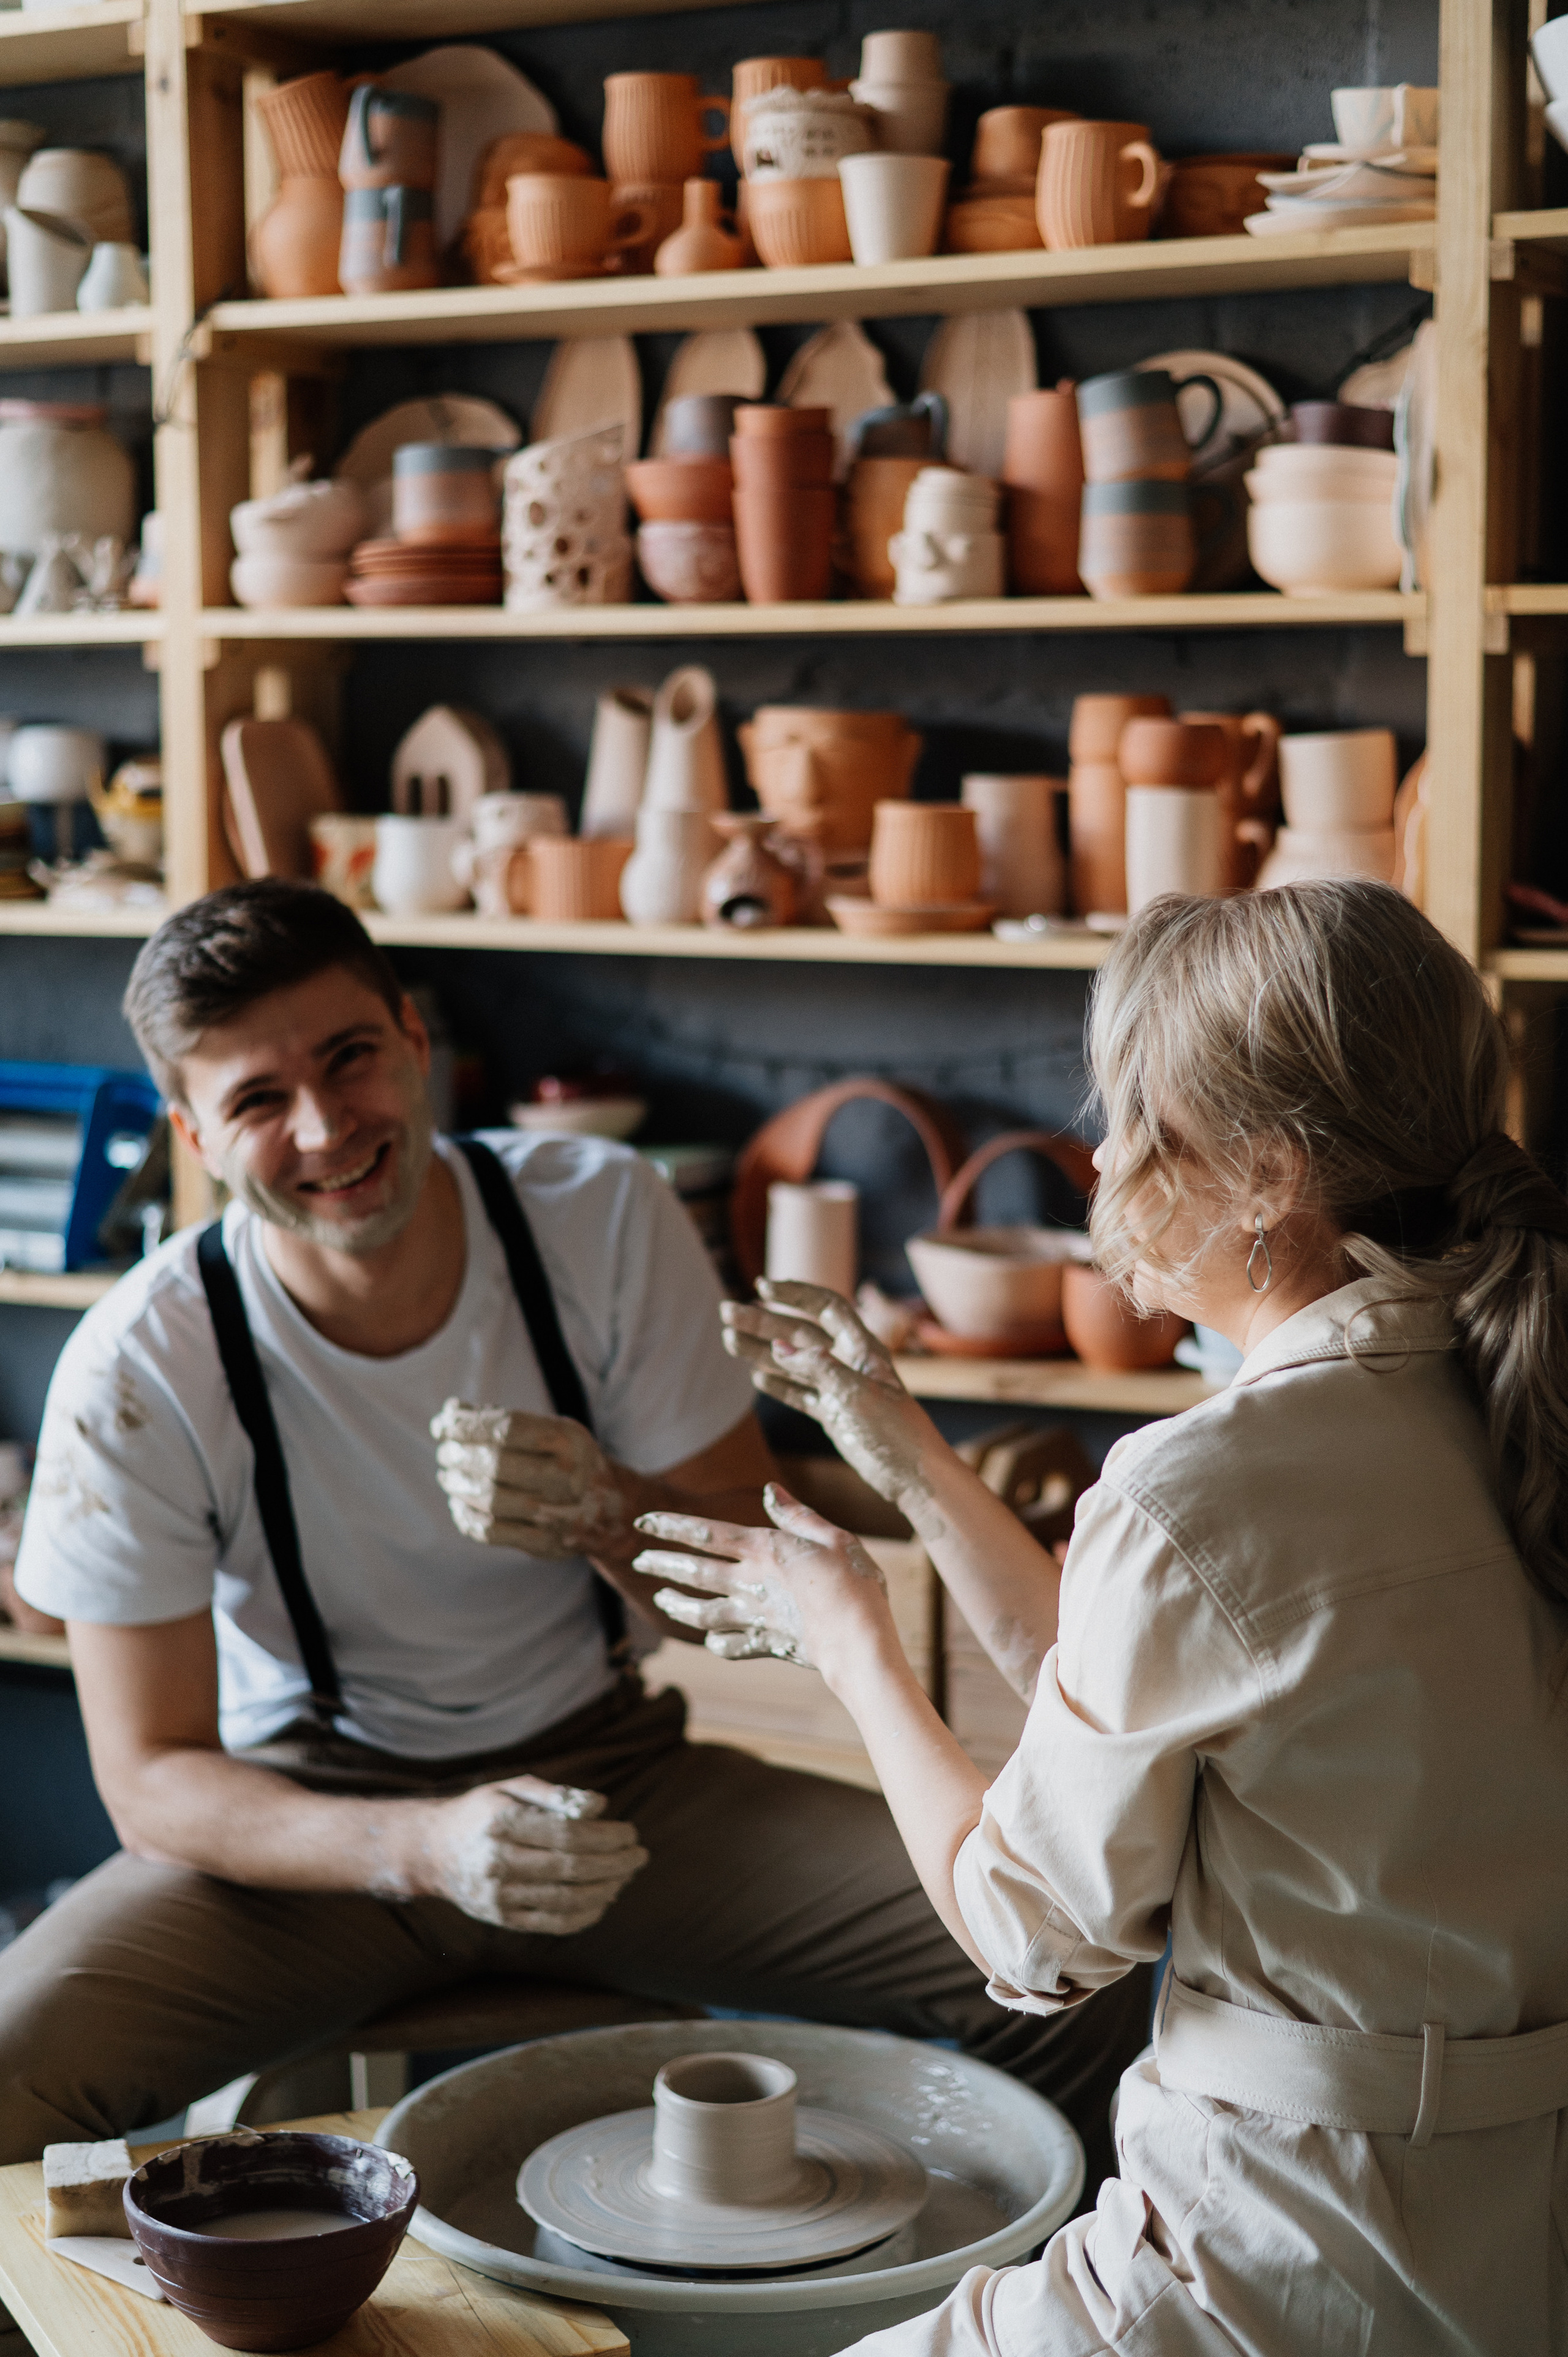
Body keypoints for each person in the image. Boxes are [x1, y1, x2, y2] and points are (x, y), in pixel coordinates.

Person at [0, 877, 1145, 2175]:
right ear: (194, 1135)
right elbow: (148, 1777)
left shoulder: (592, 1214)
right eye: (258, 1100)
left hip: (618, 1787)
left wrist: (610, 1510)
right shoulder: (142, 1364)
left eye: (350, 1058)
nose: (325, 1126)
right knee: (8, 2071)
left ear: (415, 1042)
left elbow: (731, 1579)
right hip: (322, 1823)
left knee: (1064, 1967)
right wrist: (423, 1846)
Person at [633, 879, 1568, 2356]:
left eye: (1136, 1114)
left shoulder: (1203, 1481)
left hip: (1274, 2257)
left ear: (1266, 1173)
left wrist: (850, 1641)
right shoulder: (1509, 1387)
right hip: (1509, 2237)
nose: (1104, 1155)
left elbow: (1031, 1933)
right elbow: (1155, 1683)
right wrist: (919, 1465)